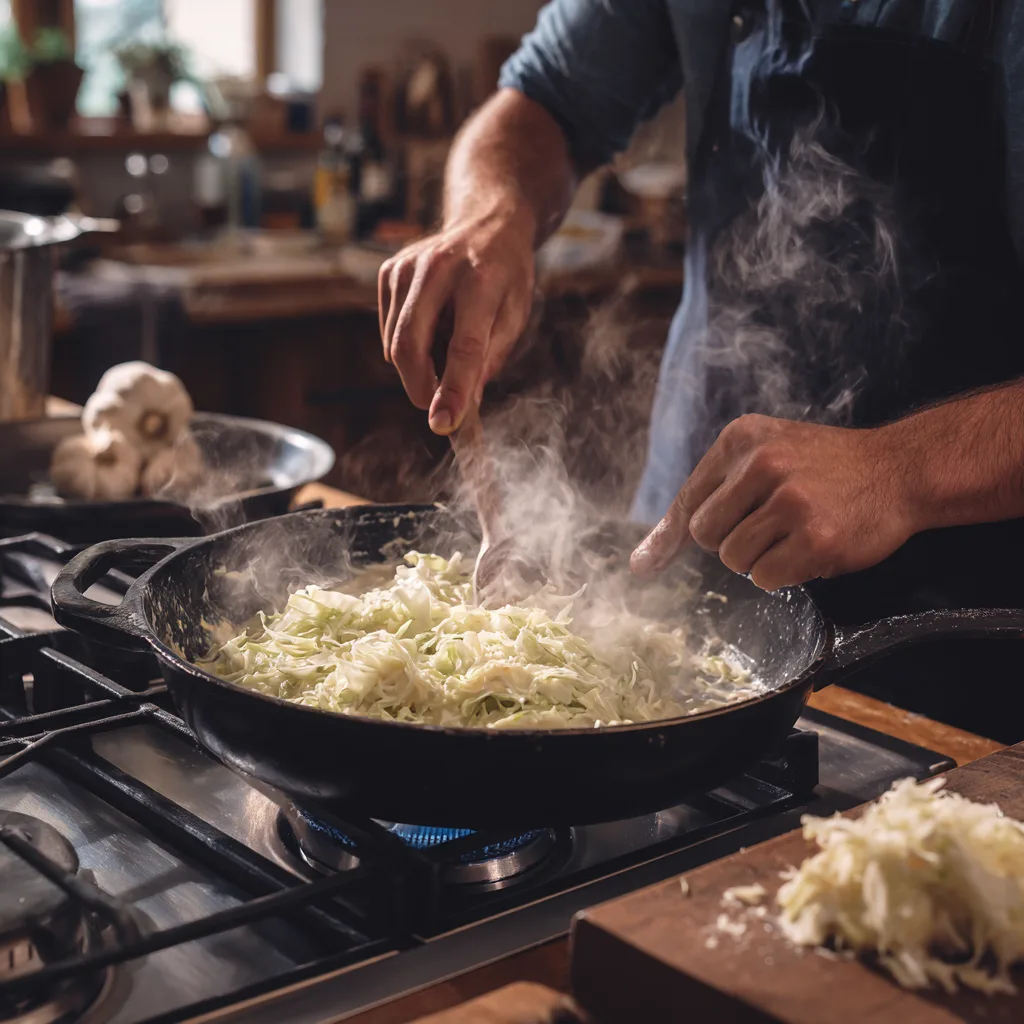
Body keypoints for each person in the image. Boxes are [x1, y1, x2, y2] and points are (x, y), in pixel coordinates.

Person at [378, 0, 1024, 600]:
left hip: (969, 608)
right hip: (692, 520)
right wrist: (492, 213)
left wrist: (901, 469)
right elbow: (547, 99)